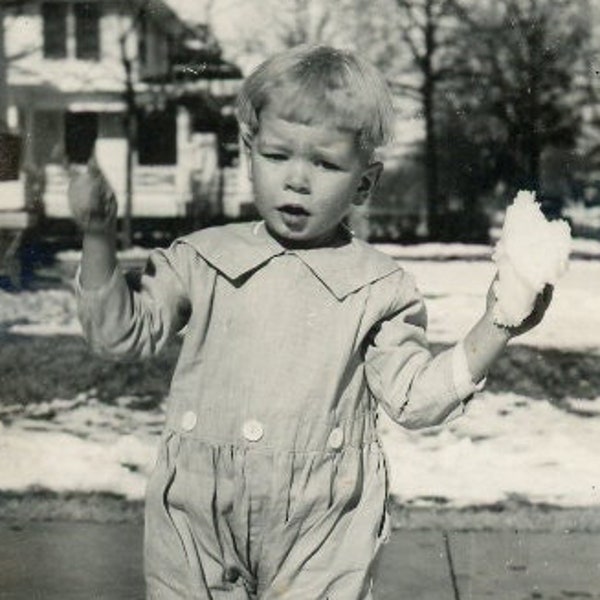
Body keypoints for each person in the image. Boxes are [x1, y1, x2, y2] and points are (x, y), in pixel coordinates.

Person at [69, 45, 551, 600]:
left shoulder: (377, 286)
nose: (297, 181)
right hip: (197, 512)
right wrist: (98, 234)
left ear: (365, 183)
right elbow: (117, 335)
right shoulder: (200, 260)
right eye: (277, 156)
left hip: (323, 521)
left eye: (324, 163)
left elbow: (415, 399)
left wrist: (499, 322)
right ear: (248, 151)